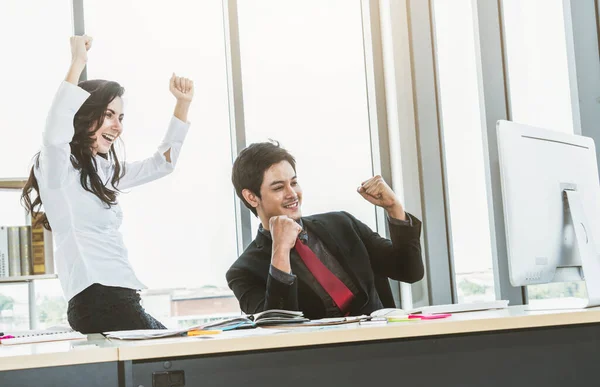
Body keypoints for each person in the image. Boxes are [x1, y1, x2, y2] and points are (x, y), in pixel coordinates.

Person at [21, 36, 195, 333]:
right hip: (99, 299)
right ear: (84, 115)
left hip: (122, 298)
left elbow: (162, 163)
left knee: (178, 354)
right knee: (179, 355)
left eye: (121, 118)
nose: (118, 126)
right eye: (109, 115)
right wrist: (77, 63)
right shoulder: (56, 169)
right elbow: (54, 133)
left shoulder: (104, 170)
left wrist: (182, 104)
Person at [227, 141, 424, 319]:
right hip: (322, 358)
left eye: (294, 183)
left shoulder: (342, 224)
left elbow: (409, 271)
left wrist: (394, 208)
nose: (292, 194)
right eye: (278, 188)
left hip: (385, 347)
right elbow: (278, 329)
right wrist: (281, 250)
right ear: (252, 197)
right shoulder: (243, 272)